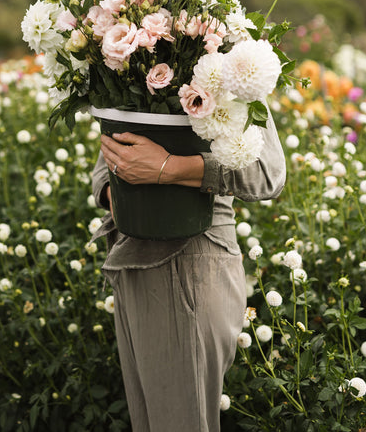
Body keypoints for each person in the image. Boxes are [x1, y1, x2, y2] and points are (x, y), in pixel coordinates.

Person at [90, 109, 286, 432]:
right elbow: (106, 155)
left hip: (191, 263)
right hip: (131, 255)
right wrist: (117, 189)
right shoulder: (120, 60)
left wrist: (168, 168)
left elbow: (266, 172)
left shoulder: (230, 61)